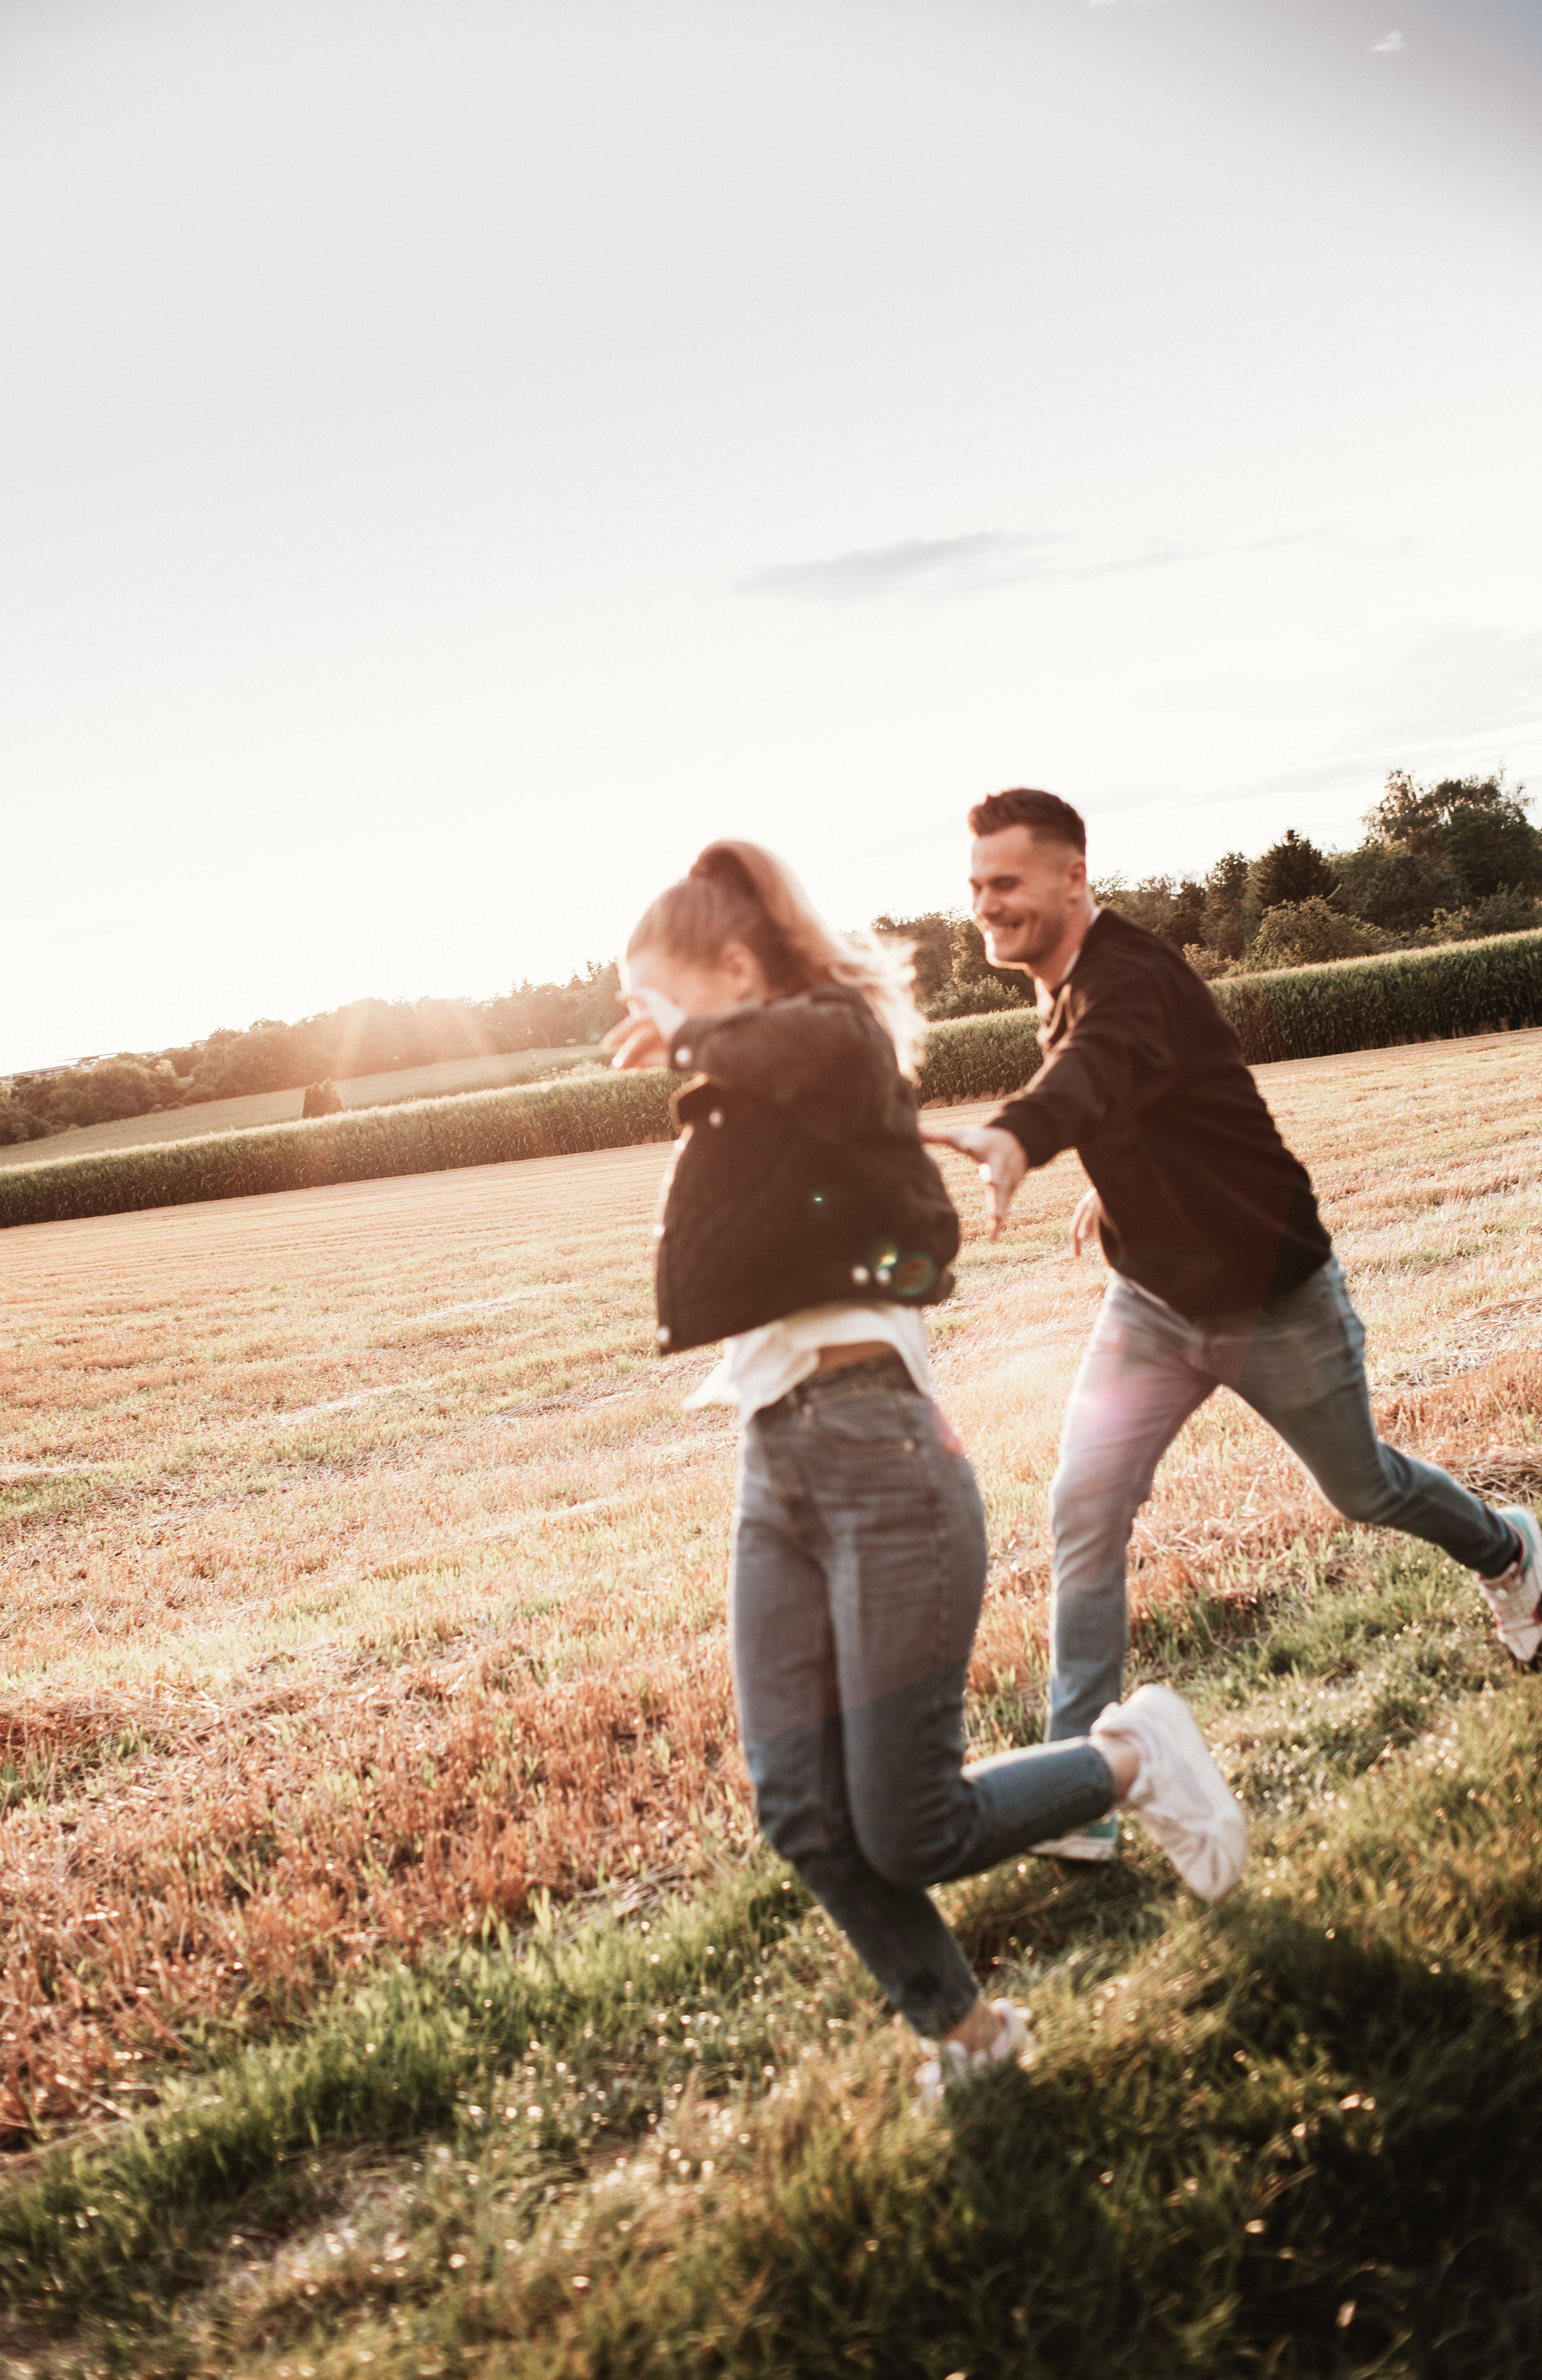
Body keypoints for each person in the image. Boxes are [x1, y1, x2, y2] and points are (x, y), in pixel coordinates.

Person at [606, 837, 1246, 2089]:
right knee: (795, 1806)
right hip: (772, 1466)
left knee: (911, 1827)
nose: (643, 1029)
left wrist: (690, 1038)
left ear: (734, 970)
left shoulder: (834, 1046)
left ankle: (1132, 1756)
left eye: (654, 996)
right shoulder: (748, 1096)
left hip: (880, 1455)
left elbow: (817, 1048)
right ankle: (969, 2036)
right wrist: (695, 1046)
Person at [923, 786, 1542, 1866]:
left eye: (1007, 883)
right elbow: (1145, 1101)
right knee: (1085, 1508)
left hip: (1273, 1300)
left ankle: (1513, 1550)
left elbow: (1097, 1072)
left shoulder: (1125, 979)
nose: (988, 905)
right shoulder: (1068, 983)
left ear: (1075, 878)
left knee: (1364, 1489)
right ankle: (1083, 1782)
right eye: (977, 886)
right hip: (1155, 1306)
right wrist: (1112, 1189)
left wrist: (1022, 1134)